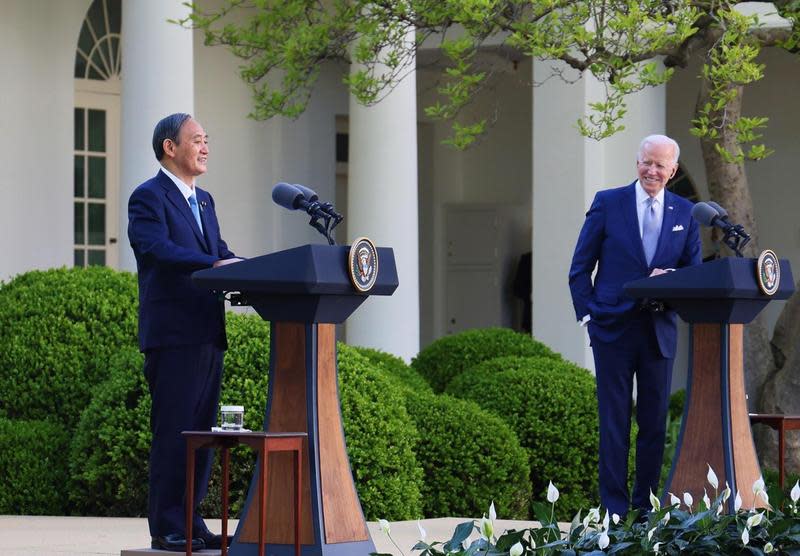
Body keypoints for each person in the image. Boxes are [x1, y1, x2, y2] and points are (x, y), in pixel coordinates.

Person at [568, 134, 702, 517]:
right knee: (613, 423)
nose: (652, 171)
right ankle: (613, 510)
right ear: (637, 162)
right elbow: (580, 267)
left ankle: (643, 508)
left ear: (673, 170)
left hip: (658, 330)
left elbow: (693, 274)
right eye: (646, 162)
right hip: (611, 329)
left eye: (660, 165)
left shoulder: (685, 212)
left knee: (654, 424)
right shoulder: (608, 202)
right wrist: (590, 314)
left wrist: (669, 275)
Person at [128, 113, 242, 552]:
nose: (206, 147)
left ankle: (192, 521)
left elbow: (219, 253)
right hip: (173, 335)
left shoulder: (206, 200)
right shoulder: (147, 198)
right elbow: (157, 250)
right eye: (197, 140)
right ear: (169, 147)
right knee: (174, 431)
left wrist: (246, 269)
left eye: (207, 140)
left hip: (208, 333)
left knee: (201, 433)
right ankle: (167, 527)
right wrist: (212, 265)